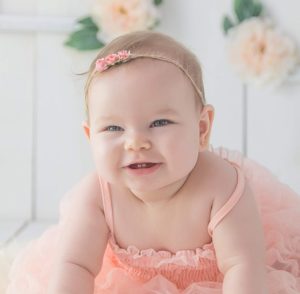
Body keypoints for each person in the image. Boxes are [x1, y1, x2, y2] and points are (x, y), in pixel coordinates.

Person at [7, 31, 300, 294]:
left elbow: (242, 266)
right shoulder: (97, 195)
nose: (136, 142)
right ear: (90, 136)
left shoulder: (221, 185)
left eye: (159, 122)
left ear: (201, 129)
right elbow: (75, 265)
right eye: (113, 128)